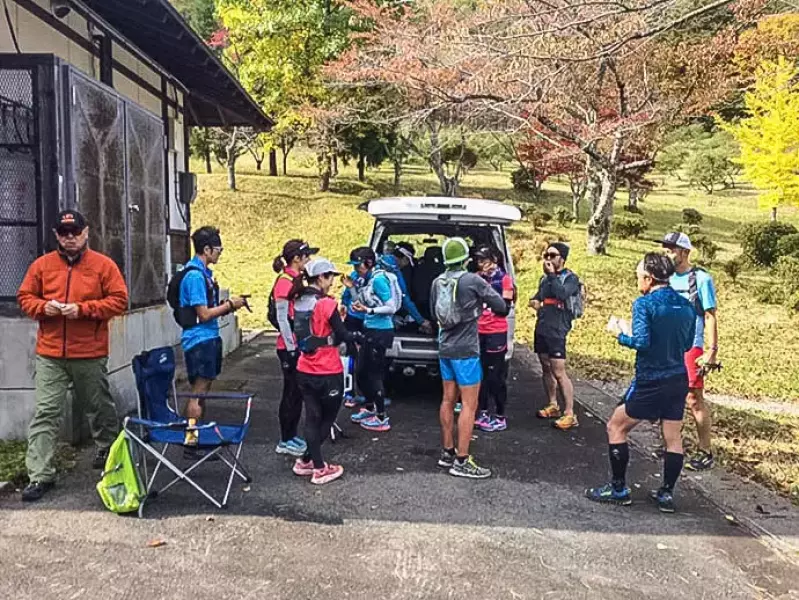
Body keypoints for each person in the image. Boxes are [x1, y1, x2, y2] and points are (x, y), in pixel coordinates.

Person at [17, 210, 129, 501]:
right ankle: (40, 475)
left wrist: (83, 309)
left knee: (99, 407)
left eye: (75, 232)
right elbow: (25, 297)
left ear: (86, 232)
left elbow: (119, 300)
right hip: (50, 353)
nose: (70, 238)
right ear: (56, 235)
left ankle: (112, 456)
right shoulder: (42, 266)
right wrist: (43, 308)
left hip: (89, 352)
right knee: (46, 412)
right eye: (64, 233)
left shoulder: (103, 266)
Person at [586, 254, 696, 512]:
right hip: (678, 378)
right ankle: (666, 494)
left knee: (616, 426)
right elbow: (688, 344)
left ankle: (618, 488)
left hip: (651, 379)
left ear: (648, 278)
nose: (638, 281)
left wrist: (621, 334)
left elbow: (642, 342)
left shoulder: (644, 304)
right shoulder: (686, 305)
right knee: (673, 437)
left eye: (639, 276)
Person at [432, 237, 510, 479]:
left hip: (445, 347)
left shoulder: (438, 281)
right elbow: (501, 306)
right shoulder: (472, 280)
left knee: (447, 399)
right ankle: (462, 460)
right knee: (469, 404)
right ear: (466, 258)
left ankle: (447, 452)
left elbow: (433, 309)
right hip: (467, 350)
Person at [291, 258, 364, 484]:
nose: (332, 282)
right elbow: (342, 334)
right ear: (321, 278)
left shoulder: (299, 301)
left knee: (312, 416)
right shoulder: (326, 304)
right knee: (327, 417)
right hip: (327, 370)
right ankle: (320, 468)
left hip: (304, 367)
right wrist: (357, 337)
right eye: (330, 277)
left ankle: (305, 460)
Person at [660, 232, 719, 471]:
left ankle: (705, 450)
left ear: (685, 252)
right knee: (669, 394)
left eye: (671, 249)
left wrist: (711, 351)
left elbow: (710, 315)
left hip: (691, 346)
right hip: (668, 345)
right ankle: (672, 444)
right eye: (666, 249)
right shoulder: (665, 278)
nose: (667, 253)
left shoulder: (701, 279)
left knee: (694, 398)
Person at [179, 227, 247, 426]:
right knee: (198, 393)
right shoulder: (195, 277)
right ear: (207, 250)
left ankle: (197, 435)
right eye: (219, 250)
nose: (219, 254)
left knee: (203, 392)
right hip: (200, 340)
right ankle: (191, 441)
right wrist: (230, 305)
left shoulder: (201, 273)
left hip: (206, 338)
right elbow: (204, 313)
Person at [270, 239, 318, 457]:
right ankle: (285, 439)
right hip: (288, 347)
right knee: (290, 393)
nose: (309, 260)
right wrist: (291, 348)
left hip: (297, 343)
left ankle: (291, 435)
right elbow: (282, 318)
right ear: (297, 259)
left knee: (297, 393)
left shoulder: (296, 278)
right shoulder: (284, 281)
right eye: (306, 256)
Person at [347, 246, 399, 432]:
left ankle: (381, 417)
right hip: (370, 329)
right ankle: (369, 408)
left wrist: (369, 311)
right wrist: (352, 289)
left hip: (381, 332)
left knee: (374, 374)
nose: (355, 269)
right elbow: (359, 304)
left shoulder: (378, 280)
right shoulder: (366, 280)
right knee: (361, 372)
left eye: (357, 265)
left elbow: (391, 307)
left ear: (368, 263)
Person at [530, 242, 581, 431]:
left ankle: (570, 413)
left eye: (553, 255)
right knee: (545, 366)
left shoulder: (571, 278)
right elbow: (538, 295)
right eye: (546, 255)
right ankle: (553, 404)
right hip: (542, 326)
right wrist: (534, 301)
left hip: (558, 328)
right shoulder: (545, 279)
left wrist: (552, 275)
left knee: (559, 370)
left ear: (563, 258)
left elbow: (562, 294)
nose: (548, 259)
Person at [474, 245, 515, 432]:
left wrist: (489, 297)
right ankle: (482, 412)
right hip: (478, 331)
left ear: (494, 260)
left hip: (496, 332)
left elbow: (505, 308)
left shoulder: (504, 279)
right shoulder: (476, 278)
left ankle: (500, 415)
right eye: (479, 260)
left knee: (495, 376)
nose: (481, 264)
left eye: (484, 260)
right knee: (480, 374)